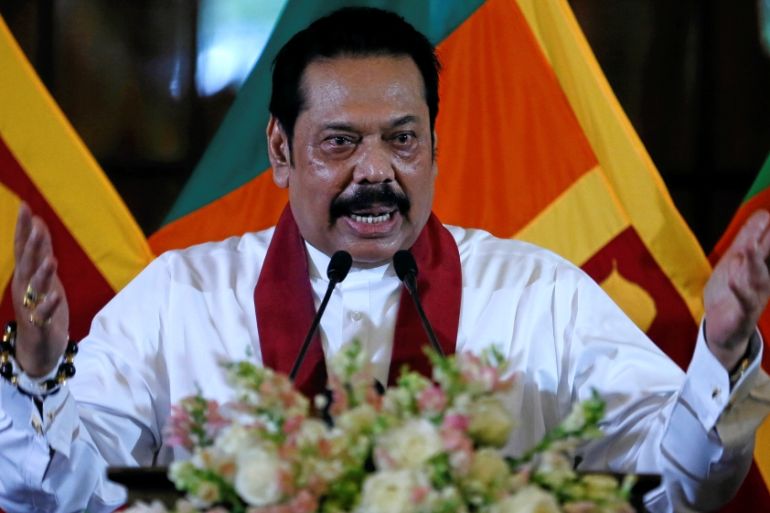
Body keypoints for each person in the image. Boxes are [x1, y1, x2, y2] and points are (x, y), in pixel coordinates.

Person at [2, 7, 769, 513]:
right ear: (280, 150)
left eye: (402, 140)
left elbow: (682, 485)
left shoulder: (539, 294)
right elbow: (57, 495)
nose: (376, 171)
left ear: (434, 145)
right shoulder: (181, 295)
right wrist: (37, 378)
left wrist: (722, 351)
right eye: (340, 142)